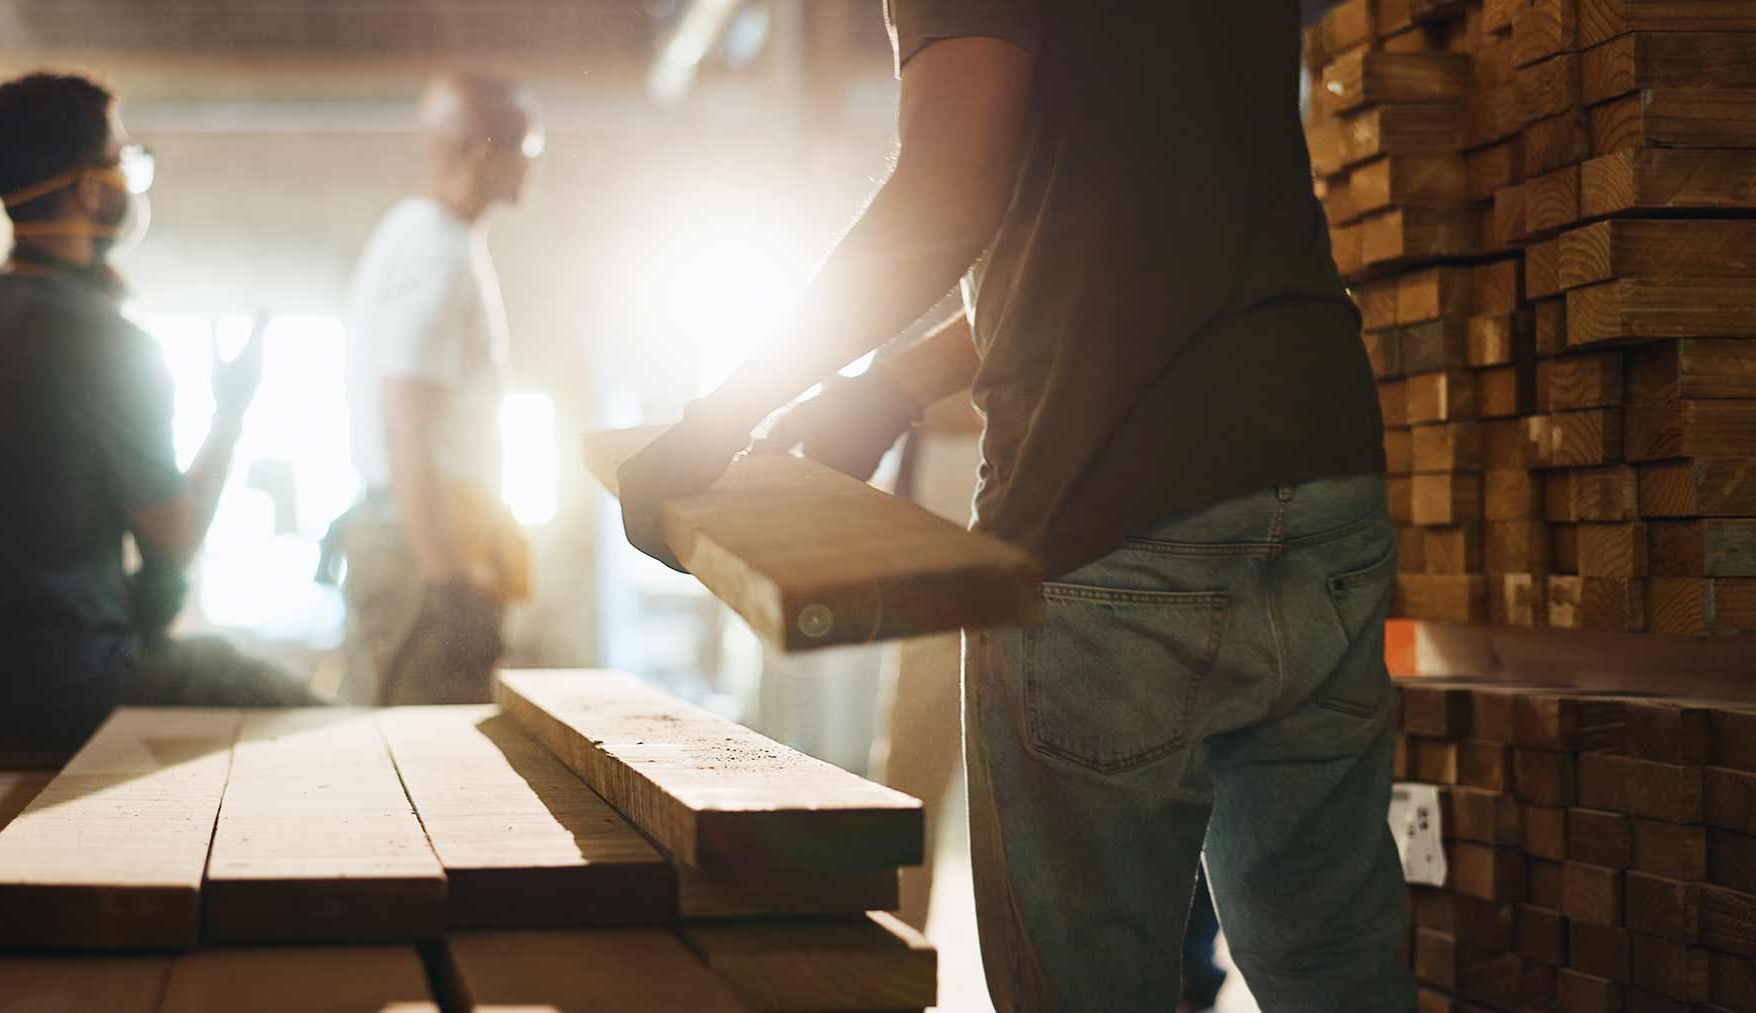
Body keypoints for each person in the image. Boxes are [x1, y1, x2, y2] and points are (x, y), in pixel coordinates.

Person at [615, 3, 1414, 1010]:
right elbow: (1126, 226)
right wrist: (889, 388)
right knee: (1336, 975)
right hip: (1322, 483)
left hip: (1114, 509)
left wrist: (716, 417)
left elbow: (948, 196)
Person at [0, 72, 321, 754]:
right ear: (92, 189)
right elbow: (174, 537)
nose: (132, 180)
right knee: (309, 717)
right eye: (125, 160)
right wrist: (232, 410)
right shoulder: (107, 341)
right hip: (68, 700)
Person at [334, 71, 541, 705]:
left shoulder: (427, 236)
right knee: (414, 765)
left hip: (426, 531)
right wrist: (447, 579)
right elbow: (409, 425)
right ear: (483, 154)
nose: (533, 168)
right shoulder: (435, 254)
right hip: (424, 541)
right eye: (527, 151)